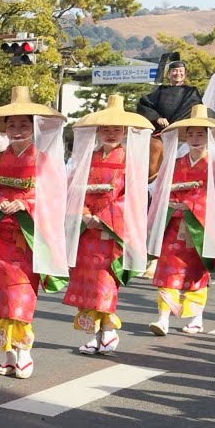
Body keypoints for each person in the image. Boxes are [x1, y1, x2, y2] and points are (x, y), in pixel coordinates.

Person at [0, 88, 68, 380]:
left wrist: (27, 202)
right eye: (11, 124)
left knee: (20, 296)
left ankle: (24, 353)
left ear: (34, 127)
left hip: (26, 240)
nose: (16, 130)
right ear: (4, 128)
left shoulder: (44, 160)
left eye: (23, 124)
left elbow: (55, 196)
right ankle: (8, 357)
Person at [62, 95, 152, 356]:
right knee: (85, 280)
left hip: (111, 226)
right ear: (97, 131)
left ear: (124, 132)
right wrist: (83, 212)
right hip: (86, 227)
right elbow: (73, 189)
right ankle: (93, 333)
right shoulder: (86, 159)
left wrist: (105, 218)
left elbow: (133, 196)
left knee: (104, 279)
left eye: (116, 129)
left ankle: (108, 329)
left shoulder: (130, 160)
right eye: (106, 129)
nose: (111, 134)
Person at [147, 105, 215, 336]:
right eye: (191, 134)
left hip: (200, 228)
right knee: (167, 271)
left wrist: (192, 206)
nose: (195, 139)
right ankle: (163, 318)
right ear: (185, 136)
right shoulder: (175, 164)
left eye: (201, 134)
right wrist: (170, 203)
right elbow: (160, 191)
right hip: (173, 226)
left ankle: (196, 318)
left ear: (209, 137)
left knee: (196, 273)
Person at [137, 60, 203, 131]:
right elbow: (144, 104)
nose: (178, 73)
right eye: (174, 71)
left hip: (182, 131)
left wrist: (175, 125)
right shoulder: (161, 90)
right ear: (169, 74)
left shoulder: (191, 91)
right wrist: (157, 118)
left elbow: (193, 109)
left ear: (185, 74)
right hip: (161, 131)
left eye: (181, 71)